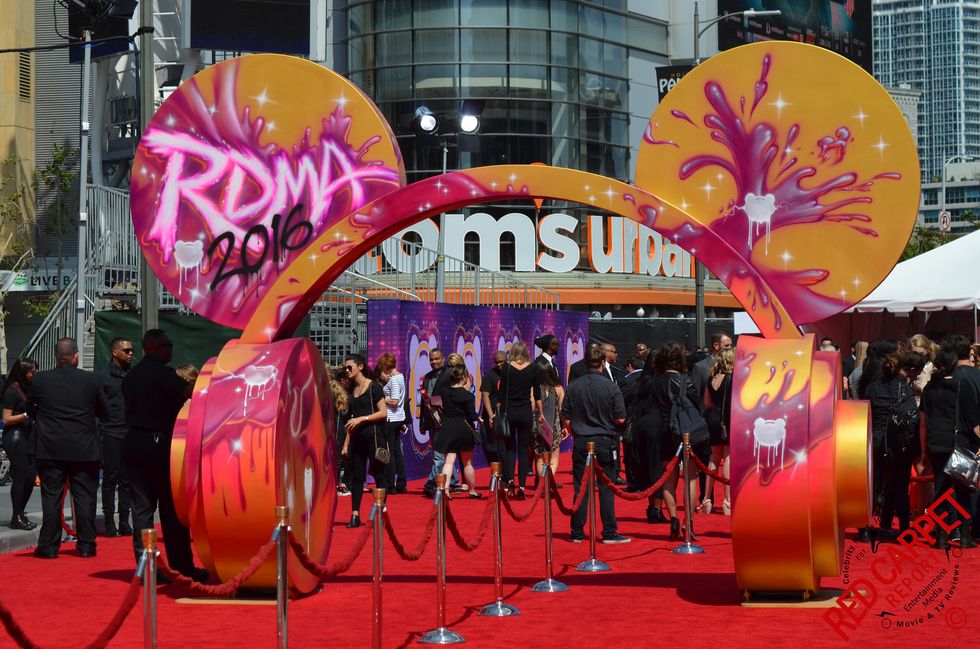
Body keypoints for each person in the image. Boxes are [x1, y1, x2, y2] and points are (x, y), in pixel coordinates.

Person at [122, 329, 207, 580]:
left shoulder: (132, 375)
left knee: (141, 510)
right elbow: (190, 392)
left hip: (134, 442)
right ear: (155, 348)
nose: (171, 349)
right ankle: (182, 566)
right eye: (168, 345)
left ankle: (146, 569)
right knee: (172, 509)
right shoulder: (163, 374)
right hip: (160, 444)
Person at [29, 338, 109, 559]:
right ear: (76, 356)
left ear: (56, 357)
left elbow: (30, 407)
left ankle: (48, 545)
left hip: (50, 446)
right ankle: (86, 545)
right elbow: (105, 411)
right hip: (83, 447)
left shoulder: (40, 379)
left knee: (51, 497)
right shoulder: (90, 380)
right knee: (85, 497)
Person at [561, 345, 630, 544]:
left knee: (580, 487)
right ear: (602, 363)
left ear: (585, 363)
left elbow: (565, 416)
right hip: (605, 440)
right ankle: (609, 532)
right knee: (606, 488)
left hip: (582, 440)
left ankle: (577, 532)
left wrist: (575, 432)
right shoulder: (610, 386)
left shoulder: (573, 386)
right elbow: (620, 419)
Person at [649, 341, 706, 541]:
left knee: (669, 478)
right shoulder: (685, 380)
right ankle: (687, 522)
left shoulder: (656, 382)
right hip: (686, 431)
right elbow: (697, 403)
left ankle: (673, 518)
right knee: (691, 478)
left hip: (665, 431)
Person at [864, 353, 919, 538]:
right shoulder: (904, 389)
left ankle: (866, 528)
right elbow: (912, 416)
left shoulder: (872, 388)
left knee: (872, 485)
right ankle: (904, 527)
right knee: (900, 485)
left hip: (875, 440)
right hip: (897, 442)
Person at [918, 349, 963, 548]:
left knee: (940, 485)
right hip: (955, 441)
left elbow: (923, 424)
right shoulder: (958, 387)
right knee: (955, 486)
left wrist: (923, 453)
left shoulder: (928, 390)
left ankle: (942, 533)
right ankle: (956, 529)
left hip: (934, 440)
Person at [340, 353, 388, 528]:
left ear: (360, 367)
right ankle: (355, 514)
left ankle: (381, 512)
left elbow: (383, 412)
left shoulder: (373, 387)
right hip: (357, 439)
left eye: (349, 367)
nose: (347, 370)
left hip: (374, 436)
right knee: (357, 476)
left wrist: (363, 418)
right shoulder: (351, 390)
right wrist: (346, 444)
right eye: (345, 368)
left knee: (379, 475)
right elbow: (350, 421)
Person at [946, 334, 980, 546]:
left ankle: (958, 529)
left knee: (958, 486)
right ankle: (973, 528)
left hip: (961, 437)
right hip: (973, 438)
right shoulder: (977, 375)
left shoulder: (955, 378)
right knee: (972, 486)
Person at [97, 338, 134, 537]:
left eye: (131, 350)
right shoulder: (102, 377)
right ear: (114, 352)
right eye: (126, 350)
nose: (130, 353)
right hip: (110, 432)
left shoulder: (133, 374)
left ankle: (124, 521)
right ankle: (109, 521)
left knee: (126, 479)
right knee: (110, 478)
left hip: (129, 433)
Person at [499, 341, 543, 498]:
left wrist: (498, 412)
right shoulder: (533, 368)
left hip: (509, 412)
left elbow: (501, 393)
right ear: (526, 352)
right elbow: (537, 394)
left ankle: (511, 480)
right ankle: (522, 486)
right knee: (523, 450)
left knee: (510, 449)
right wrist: (541, 413)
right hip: (525, 412)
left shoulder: (506, 367)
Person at [436, 359, 482, 497]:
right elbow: (472, 415)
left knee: (449, 461)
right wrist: (479, 419)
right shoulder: (468, 395)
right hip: (463, 429)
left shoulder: (444, 392)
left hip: (448, 428)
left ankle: (445, 490)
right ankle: (472, 491)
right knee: (467, 463)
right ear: (464, 377)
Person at [3, 358, 38, 530]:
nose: (34, 374)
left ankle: (20, 512)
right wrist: (25, 415)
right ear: (23, 373)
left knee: (30, 477)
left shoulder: (28, 389)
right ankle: (17, 515)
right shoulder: (12, 391)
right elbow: (6, 419)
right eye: (32, 372)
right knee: (20, 476)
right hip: (16, 437)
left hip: (28, 436)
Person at [421, 348, 461, 496]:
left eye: (437, 359)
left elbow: (454, 395)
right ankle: (453, 482)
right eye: (431, 359)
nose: (434, 362)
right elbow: (423, 401)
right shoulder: (427, 377)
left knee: (439, 454)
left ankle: (431, 483)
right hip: (431, 419)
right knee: (442, 454)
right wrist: (422, 423)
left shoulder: (449, 374)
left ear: (443, 359)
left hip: (445, 419)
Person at [702, 348, 734, 516]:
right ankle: (727, 501)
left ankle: (706, 499)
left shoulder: (711, 378)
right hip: (727, 419)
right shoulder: (732, 378)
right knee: (728, 458)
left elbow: (707, 403)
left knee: (714, 458)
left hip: (713, 419)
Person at [375, 353, 408, 494]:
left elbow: (394, 401)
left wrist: (381, 398)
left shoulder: (394, 380)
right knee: (396, 452)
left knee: (390, 452)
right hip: (398, 418)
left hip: (391, 418)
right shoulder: (399, 377)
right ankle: (401, 483)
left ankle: (391, 484)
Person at [533, 360, 565, 481]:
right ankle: (548, 483)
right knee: (554, 458)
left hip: (538, 426)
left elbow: (531, 408)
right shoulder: (559, 389)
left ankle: (542, 483)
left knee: (540, 459)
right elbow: (561, 410)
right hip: (554, 426)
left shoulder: (533, 389)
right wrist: (565, 427)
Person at [325, 364, 352, 496]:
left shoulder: (329, 390)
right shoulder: (335, 389)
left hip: (333, 429)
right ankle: (333, 484)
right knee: (335, 458)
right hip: (336, 429)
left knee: (333, 457)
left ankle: (332, 485)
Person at [480, 351, 507, 465]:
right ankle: (495, 471)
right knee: (491, 447)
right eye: (497, 362)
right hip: (491, 417)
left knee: (505, 447)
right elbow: (485, 396)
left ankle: (505, 471)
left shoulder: (511, 375)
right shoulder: (489, 376)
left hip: (505, 416)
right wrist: (491, 415)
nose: (499, 364)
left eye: (502, 362)